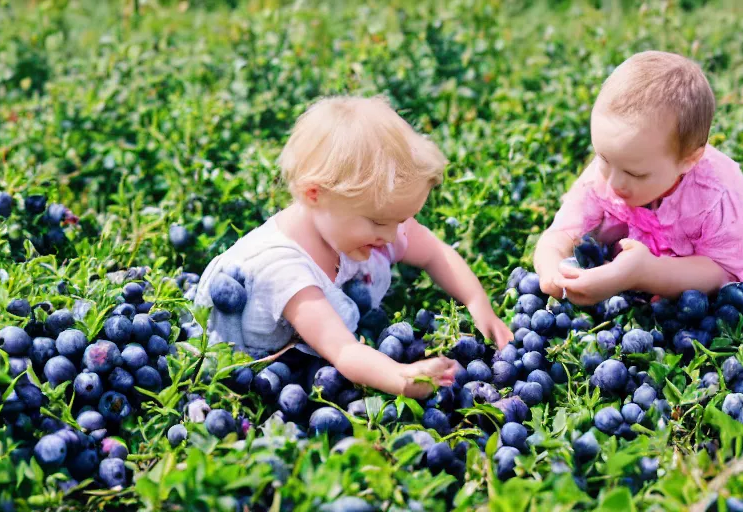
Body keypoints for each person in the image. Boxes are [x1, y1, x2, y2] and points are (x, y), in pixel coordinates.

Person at [193, 95, 512, 399]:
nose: (391, 236)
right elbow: (344, 350)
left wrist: (477, 301)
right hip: (252, 364)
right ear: (314, 195)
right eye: (378, 222)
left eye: (400, 220)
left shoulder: (365, 221)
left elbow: (433, 251)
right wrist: (402, 378)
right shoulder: (285, 272)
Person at [534, 51, 743, 306]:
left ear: (688, 161)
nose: (613, 182)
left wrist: (643, 274)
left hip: (688, 268)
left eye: (634, 173)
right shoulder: (611, 170)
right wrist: (552, 270)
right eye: (603, 158)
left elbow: (721, 273)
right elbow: (559, 234)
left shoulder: (715, 195)